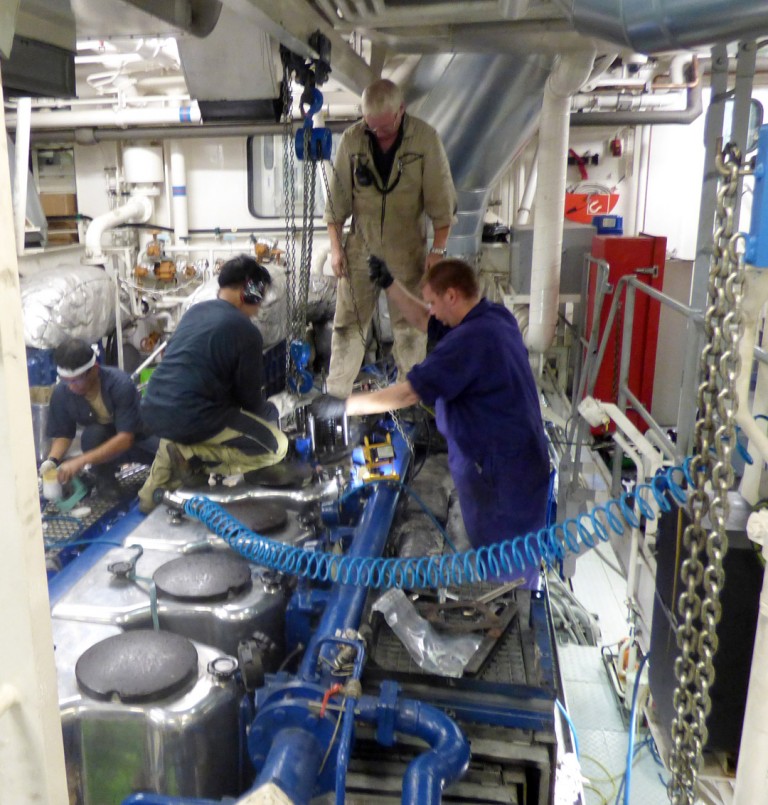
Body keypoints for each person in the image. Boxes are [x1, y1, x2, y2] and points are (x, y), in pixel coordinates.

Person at [311, 257, 550, 584]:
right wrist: (390, 285)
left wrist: (343, 406)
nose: (432, 310)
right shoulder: (494, 317)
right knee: (506, 550)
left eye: (435, 301)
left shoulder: (468, 342)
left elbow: (409, 394)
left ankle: (508, 611)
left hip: (501, 476)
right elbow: (426, 320)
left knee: (505, 566)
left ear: (452, 295)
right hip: (516, 460)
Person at [323, 77, 457, 398]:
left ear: (401, 111)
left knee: (410, 328)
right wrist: (335, 248)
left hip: (408, 253)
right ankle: (336, 396)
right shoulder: (354, 140)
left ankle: (411, 398)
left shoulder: (425, 140)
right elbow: (336, 203)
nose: (378, 134)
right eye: (372, 127)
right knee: (347, 327)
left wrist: (437, 250)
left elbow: (443, 206)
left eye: (384, 127)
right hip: (360, 251)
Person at [138, 255, 288, 513]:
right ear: (247, 292)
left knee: (178, 432)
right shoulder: (247, 331)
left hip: (153, 407)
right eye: (260, 296)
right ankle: (192, 456)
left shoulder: (196, 311)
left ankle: (149, 497)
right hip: (193, 415)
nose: (261, 304)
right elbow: (250, 402)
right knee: (276, 446)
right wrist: (272, 414)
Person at [39, 338, 157, 497]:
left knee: (170, 458)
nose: (72, 387)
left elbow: (126, 438)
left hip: (140, 440)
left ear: (94, 369)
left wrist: (80, 461)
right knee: (91, 436)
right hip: (108, 447)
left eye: (77, 380)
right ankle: (106, 484)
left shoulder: (120, 384)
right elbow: (63, 434)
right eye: (67, 381)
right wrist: (52, 461)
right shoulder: (63, 392)